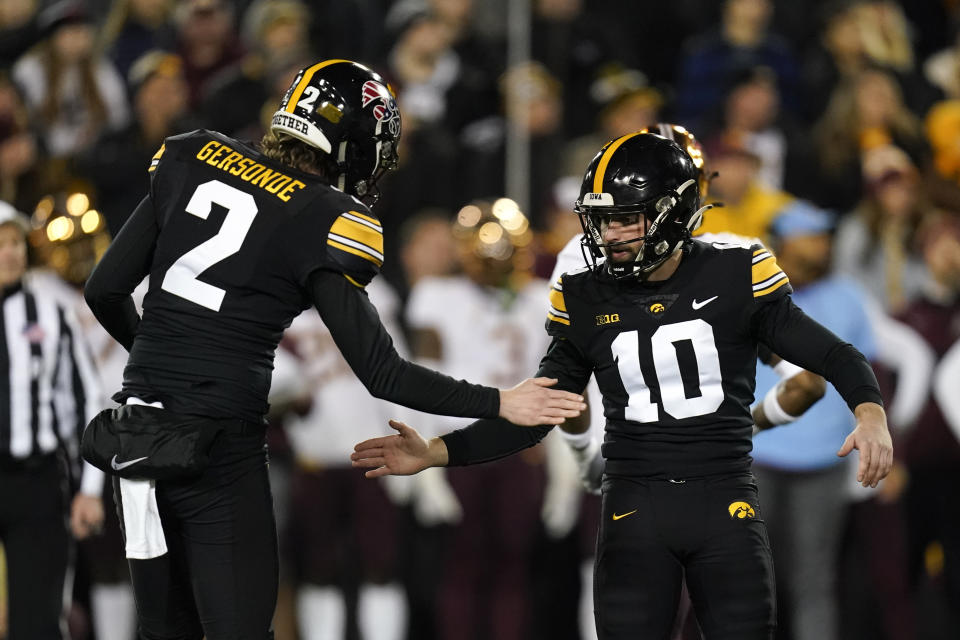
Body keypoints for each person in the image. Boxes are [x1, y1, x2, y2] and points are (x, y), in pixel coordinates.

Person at [81, 59, 585, 640]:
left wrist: (167, 361)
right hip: (218, 445)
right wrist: (500, 402)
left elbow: (105, 289)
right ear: (350, 140)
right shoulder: (322, 215)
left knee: (161, 633)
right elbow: (383, 374)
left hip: (135, 435)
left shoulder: (194, 157)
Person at [352, 131, 893, 640]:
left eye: (625, 219)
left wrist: (870, 414)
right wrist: (436, 451)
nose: (609, 234)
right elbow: (538, 411)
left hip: (725, 500)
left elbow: (832, 353)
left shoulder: (736, 270)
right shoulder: (584, 295)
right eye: (601, 220)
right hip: (634, 509)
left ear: (672, 210)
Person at [0, 200, 105, 639]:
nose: (11, 253)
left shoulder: (50, 313)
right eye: (0, 244)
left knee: (40, 621)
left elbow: (87, 400)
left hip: (36, 483)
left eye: (15, 242)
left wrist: (90, 489)